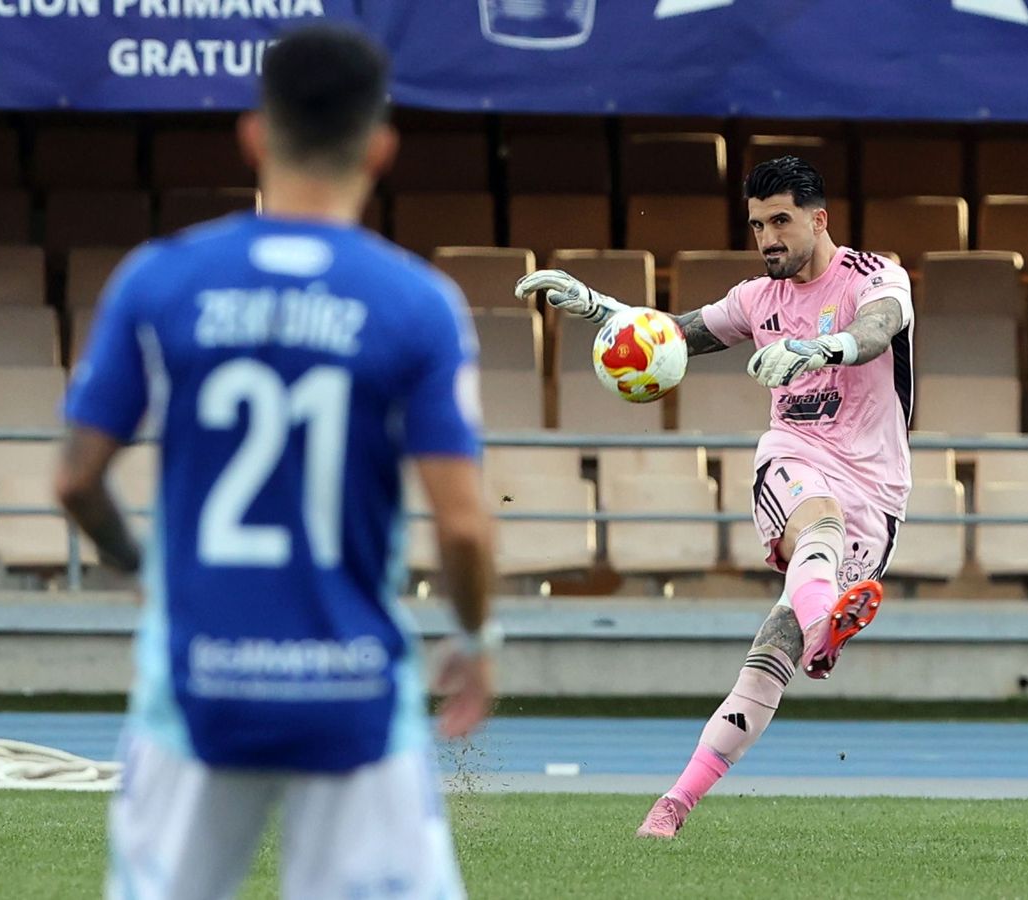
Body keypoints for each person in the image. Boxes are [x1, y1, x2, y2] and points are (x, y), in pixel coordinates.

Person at [55, 25, 496, 899]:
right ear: (380, 146)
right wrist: (477, 638)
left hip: (197, 679)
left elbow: (73, 480)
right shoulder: (418, 303)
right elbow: (464, 525)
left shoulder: (158, 280)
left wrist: (139, 564)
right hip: (352, 687)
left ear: (254, 134)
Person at [515, 155, 914, 839]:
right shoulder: (756, 300)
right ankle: (826, 630)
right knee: (816, 520)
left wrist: (821, 350)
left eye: (781, 221)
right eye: (758, 225)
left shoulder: (876, 276)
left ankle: (682, 794)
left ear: (820, 219)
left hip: (876, 493)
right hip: (795, 462)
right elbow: (673, 337)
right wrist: (601, 311)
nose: (768, 239)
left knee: (769, 656)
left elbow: (878, 329)